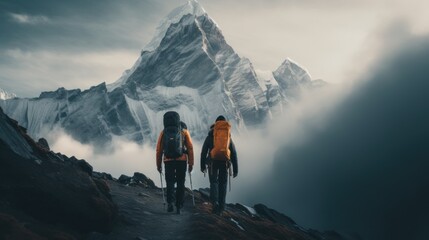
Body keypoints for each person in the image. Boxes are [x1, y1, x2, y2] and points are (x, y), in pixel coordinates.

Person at [156, 112, 194, 214]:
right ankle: (179, 206)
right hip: (182, 161)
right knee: (181, 182)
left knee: (170, 182)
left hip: (168, 161)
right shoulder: (184, 132)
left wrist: (158, 165)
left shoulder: (163, 132)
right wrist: (191, 163)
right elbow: (190, 148)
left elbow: (159, 150)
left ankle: (170, 204)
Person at [200, 115, 238, 215]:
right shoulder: (228, 135)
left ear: (215, 123)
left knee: (214, 182)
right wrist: (236, 169)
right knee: (223, 184)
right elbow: (233, 152)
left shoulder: (211, 134)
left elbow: (204, 151)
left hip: (212, 162)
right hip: (225, 162)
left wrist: (202, 165)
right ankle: (222, 207)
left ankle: (215, 203)